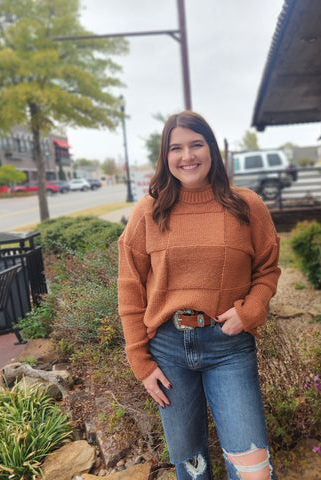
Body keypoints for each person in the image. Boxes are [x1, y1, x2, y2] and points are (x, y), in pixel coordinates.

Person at [118, 111, 280, 480]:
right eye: (176, 148)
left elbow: (267, 269)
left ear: (212, 149)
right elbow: (129, 289)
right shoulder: (149, 212)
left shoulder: (246, 206)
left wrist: (251, 311)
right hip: (168, 350)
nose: (187, 156)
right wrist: (140, 362)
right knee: (191, 468)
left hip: (229, 348)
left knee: (253, 470)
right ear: (165, 156)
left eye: (196, 144)